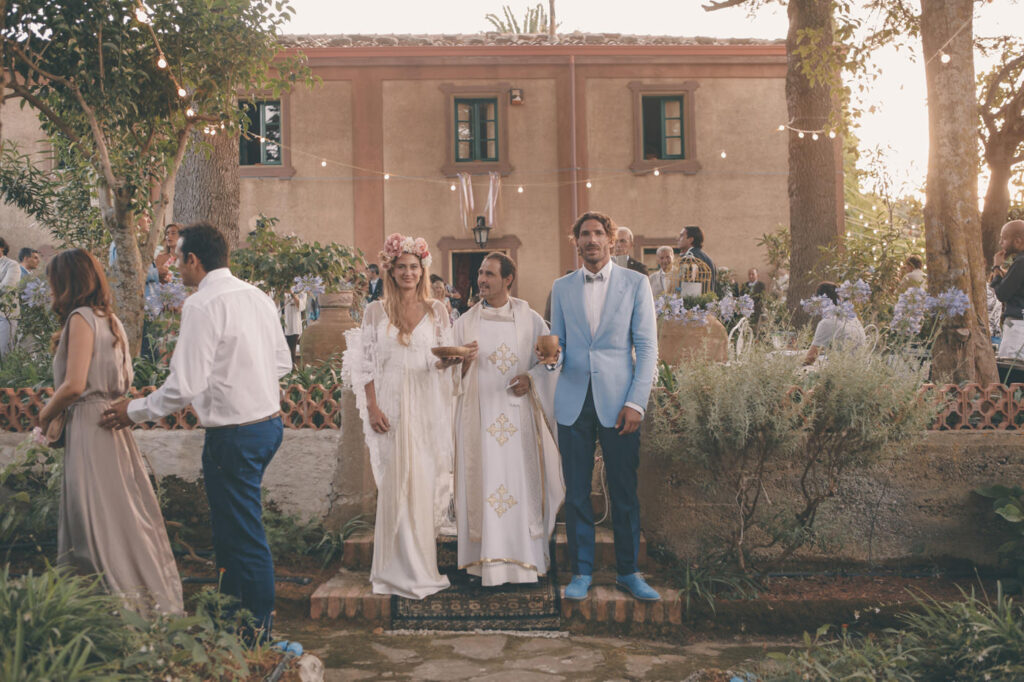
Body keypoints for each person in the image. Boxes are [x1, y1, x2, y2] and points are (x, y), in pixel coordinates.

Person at [100, 223, 290, 643]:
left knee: (243, 533)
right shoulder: (257, 296)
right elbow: (281, 363)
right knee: (229, 528)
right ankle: (229, 621)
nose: (171, 263)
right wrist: (238, 380)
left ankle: (258, 632)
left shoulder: (203, 305)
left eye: (176, 255)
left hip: (235, 436)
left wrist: (133, 411)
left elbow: (184, 386)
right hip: (268, 426)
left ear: (194, 260)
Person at [39, 249, 183, 615]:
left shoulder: (80, 319)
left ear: (66, 282)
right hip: (114, 429)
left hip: (90, 426)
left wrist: (45, 414)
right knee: (122, 517)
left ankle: (107, 610)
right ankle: (146, 597)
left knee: (90, 519)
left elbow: (73, 385)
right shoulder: (113, 321)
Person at [549, 211, 660, 602]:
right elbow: (557, 344)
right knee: (577, 492)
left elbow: (646, 348)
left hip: (620, 402)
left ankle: (629, 572)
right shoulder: (561, 287)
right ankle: (582, 571)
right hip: (574, 400)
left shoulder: (636, 283)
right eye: (584, 234)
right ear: (575, 241)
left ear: (611, 241)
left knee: (624, 489)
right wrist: (550, 359)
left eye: (598, 233)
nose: (591, 240)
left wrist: (636, 402)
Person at [343, 233, 459, 599]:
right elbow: (364, 365)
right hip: (390, 404)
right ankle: (392, 569)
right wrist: (373, 406)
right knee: (396, 481)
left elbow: (443, 359)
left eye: (414, 267)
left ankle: (422, 566)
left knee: (422, 480)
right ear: (390, 271)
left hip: (427, 404)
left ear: (422, 270)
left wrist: (453, 360)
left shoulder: (437, 310)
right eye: (401, 267)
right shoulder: (374, 311)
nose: (408, 273)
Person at [452, 253, 564, 586]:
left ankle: (523, 564)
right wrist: (464, 363)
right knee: (484, 486)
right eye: (480, 274)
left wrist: (532, 377)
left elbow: (550, 362)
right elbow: (446, 372)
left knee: (518, 489)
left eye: (489, 274)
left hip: (519, 423)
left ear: (508, 279)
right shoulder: (464, 323)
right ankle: (482, 565)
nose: (482, 280)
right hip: (478, 421)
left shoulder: (530, 320)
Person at [804, 281, 866, 366]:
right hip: (861, 366)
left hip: (841, 370)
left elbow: (810, 358)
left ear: (820, 300)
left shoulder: (827, 322)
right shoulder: (851, 317)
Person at [991, 220, 1024, 360]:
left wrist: (997, 268)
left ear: (1017, 241)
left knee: (1011, 369)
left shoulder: (1020, 262)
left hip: (1017, 324)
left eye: (1004, 238)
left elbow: (1002, 294)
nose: (1001, 243)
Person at [676, 225, 716, 294]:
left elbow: (684, 286)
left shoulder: (689, 258)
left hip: (692, 302)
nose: (678, 239)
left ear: (691, 239)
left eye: (681, 236)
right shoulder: (707, 258)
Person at [0, 237, 22, 355]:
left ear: (2, 247)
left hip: (6, 315)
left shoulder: (12, 265)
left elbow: (6, 288)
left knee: (4, 354)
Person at [282, 289, 307, 367]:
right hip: (280, 322)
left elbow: (301, 306)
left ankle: (293, 368)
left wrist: (292, 294)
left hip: (292, 324)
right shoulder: (278, 288)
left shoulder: (301, 289)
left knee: (292, 350)